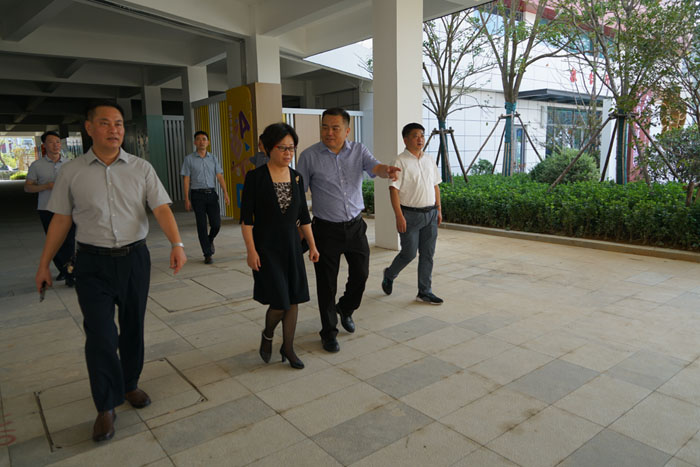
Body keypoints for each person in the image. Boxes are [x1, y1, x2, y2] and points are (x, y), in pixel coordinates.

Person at [34, 101, 187, 442]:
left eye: (118, 123)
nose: (114, 129)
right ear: (89, 128)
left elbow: (161, 208)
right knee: (101, 335)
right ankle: (105, 405)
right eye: (105, 123)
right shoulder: (72, 172)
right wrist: (44, 264)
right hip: (92, 263)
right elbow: (61, 219)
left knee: (133, 327)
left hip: (134, 259)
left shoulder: (141, 168)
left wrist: (177, 244)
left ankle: (129, 384)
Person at [296, 108, 400, 353]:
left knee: (361, 275)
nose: (329, 132)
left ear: (347, 130)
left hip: (355, 227)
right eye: (325, 127)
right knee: (326, 285)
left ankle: (345, 308)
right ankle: (329, 332)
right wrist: (301, 229)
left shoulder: (358, 151)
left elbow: (375, 167)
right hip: (325, 230)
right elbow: (299, 196)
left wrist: (386, 170)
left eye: (335, 128)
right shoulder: (309, 156)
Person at [240, 123, 319, 369]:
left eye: (291, 148)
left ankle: (289, 347)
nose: (288, 153)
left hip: (292, 247)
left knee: (293, 298)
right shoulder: (255, 178)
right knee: (279, 302)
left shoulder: (297, 177)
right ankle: (267, 334)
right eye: (282, 148)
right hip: (266, 248)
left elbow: (303, 217)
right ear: (268, 148)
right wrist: (251, 251)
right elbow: (247, 220)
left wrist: (313, 246)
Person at [382, 123, 443, 304]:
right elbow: (393, 190)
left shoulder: (429, 160)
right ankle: (390, 274)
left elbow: (435, 185)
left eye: (422, 135)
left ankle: (424, 291)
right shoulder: (399, 161)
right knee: (409, 253)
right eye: (415, 136)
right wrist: (399, 216)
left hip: (431, 214)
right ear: (405, 139)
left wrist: (439, 209)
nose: (420, 139)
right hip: (410, 216)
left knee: (428, 254)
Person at [25, 131, 77, 286]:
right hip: (46, 209)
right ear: (44, 145)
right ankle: (63, 269)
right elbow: (28, 187)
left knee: (69, 242)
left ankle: (70, 273)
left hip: (67, 208)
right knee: (54, 242)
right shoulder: (37, 166)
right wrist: (46, 186)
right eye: (51, 142)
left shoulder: (70, 164)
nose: (56, 145)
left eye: (58, 142)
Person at [181, 131, 230, 264]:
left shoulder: (213, 158)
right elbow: (186, 179)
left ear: (208, 142)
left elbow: (219, 176)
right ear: (195, 142)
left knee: (216, 224)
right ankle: (207, 254)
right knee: (201, 225)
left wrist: (225, 192)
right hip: (197, 195)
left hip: (212, 194)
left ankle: (210, 239)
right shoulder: (189, 159)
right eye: (198, 139)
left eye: (204, 139)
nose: (201, 141)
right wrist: (186, 198)